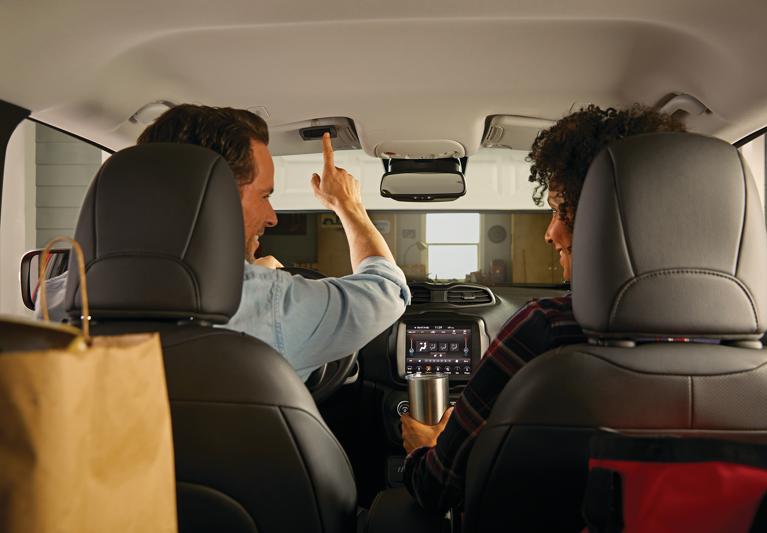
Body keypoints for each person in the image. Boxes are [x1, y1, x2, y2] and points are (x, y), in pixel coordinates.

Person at [400, 104, 685, 513]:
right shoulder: (766, 354)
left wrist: (424, 449)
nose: (550, 233)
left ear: (602, 218)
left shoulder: (546, 329)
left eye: (558, 211)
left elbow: (437, 488)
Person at [39, 104, 410, 382]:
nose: (272, 218)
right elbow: (387, 290)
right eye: (264, 196)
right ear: (216, 200)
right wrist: (347, 205)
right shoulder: (270, 303)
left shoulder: (57, 300)